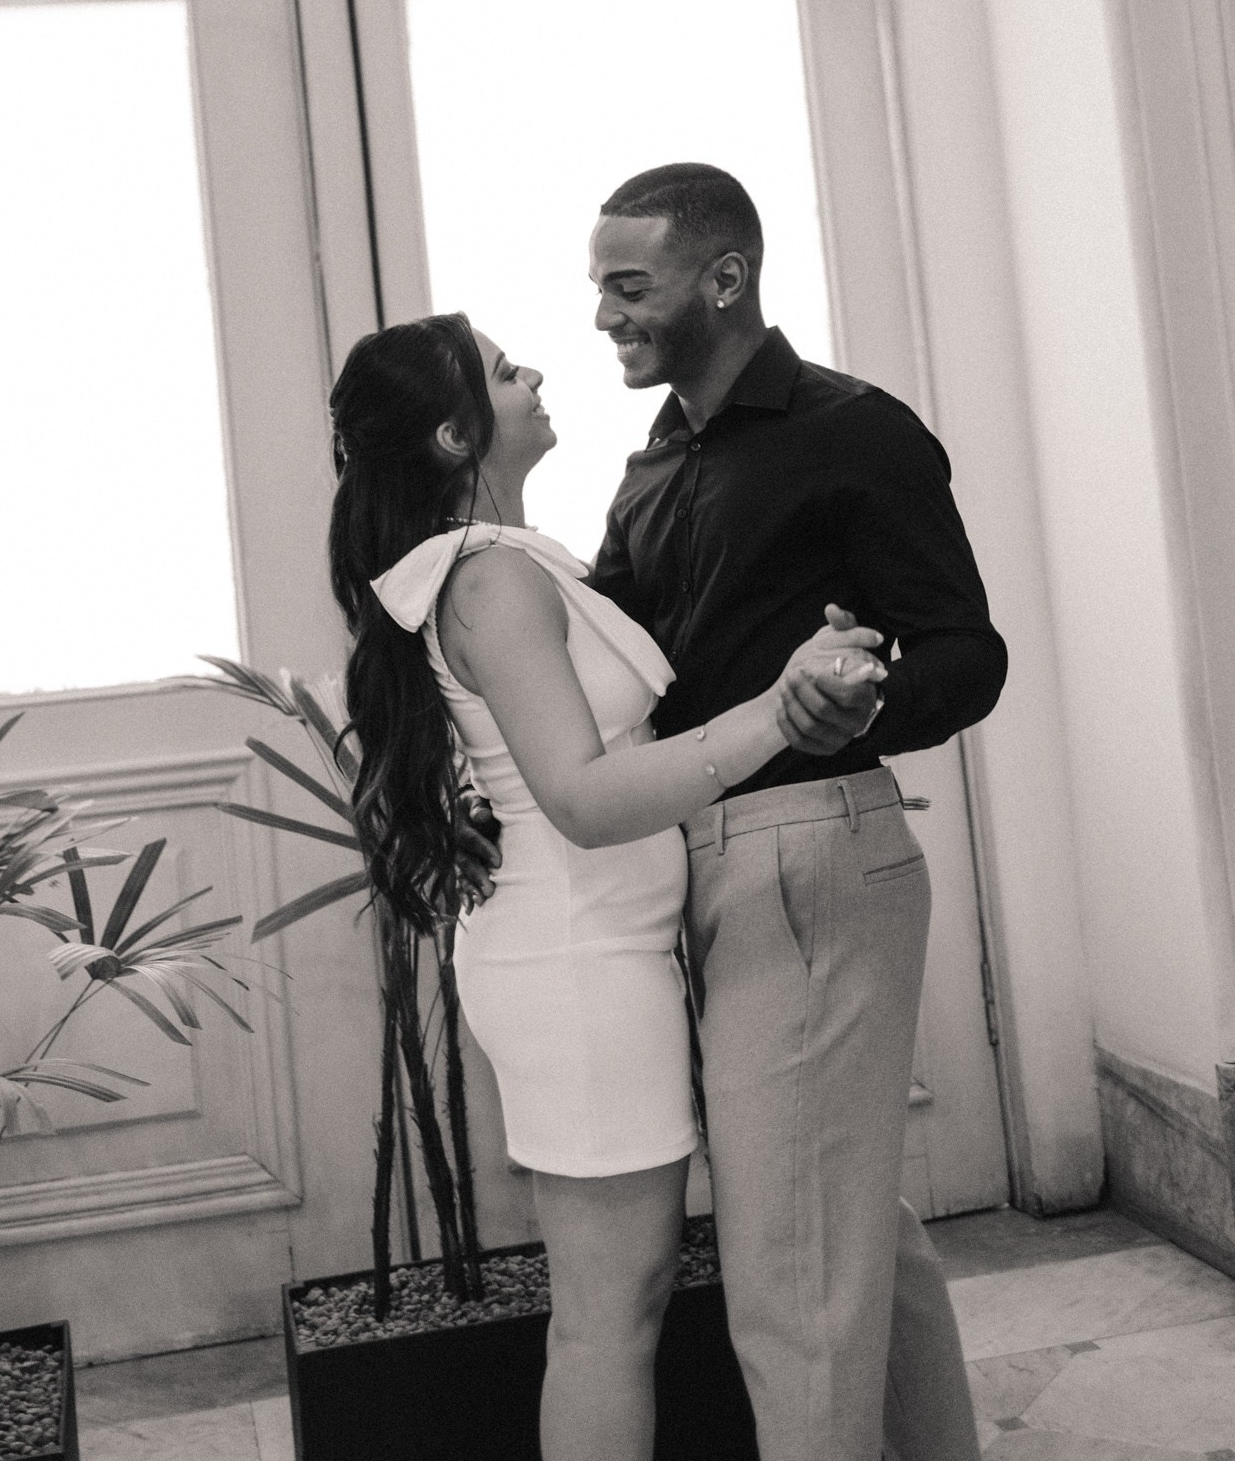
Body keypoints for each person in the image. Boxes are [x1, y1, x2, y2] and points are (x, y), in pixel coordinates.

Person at [326, 312, 886, 1461]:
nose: (532, 370)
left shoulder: (509, 563)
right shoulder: (488, 579)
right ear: (455, 434)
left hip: (595, 954)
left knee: (614, 1308)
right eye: (501, 368)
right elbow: (580, 796)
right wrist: (781, 712)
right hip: (577, 967)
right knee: (607, 1316)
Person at [587, 162, 1008, 1461]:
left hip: (811, 857)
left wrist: (860, 703)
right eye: (599, 287)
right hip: (707, 866)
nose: (604, 314)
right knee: (845, 1234)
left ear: (724, 278)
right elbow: (612, 669)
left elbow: (967, 653)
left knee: (793, 1282)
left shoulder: (853, 430)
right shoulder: (653, 464)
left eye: (629, 285)